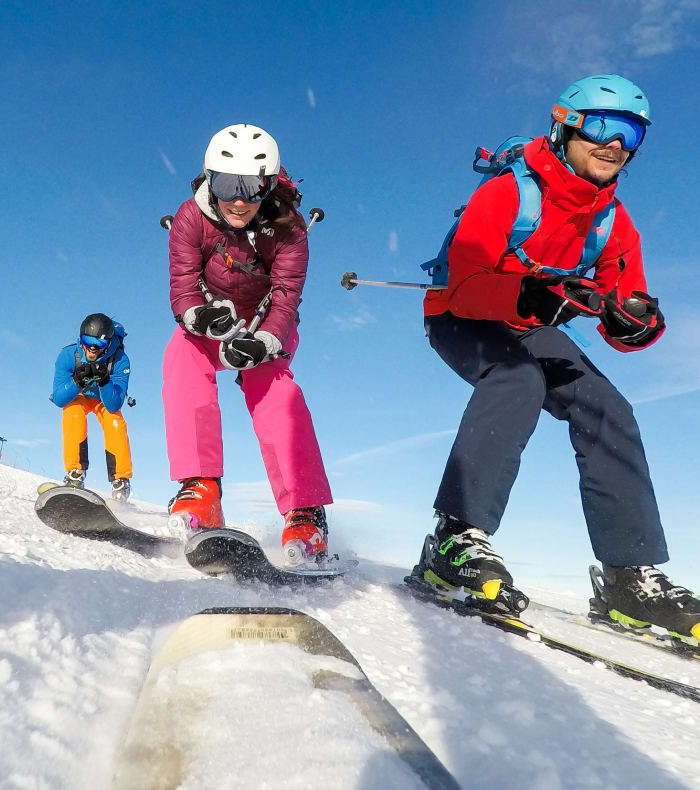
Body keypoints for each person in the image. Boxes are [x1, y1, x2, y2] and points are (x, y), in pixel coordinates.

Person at [410, 74, 700, 640]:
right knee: (517, 382)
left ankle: (627, 578)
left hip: (530, 323)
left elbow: (625, 317)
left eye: (631, 133)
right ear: (565, 125)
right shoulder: (507, 193)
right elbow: (463, 284)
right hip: (459, 313)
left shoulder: (614, 221)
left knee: (607, 406)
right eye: (603, 127)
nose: (615, 144)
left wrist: (638, 325)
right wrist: (528, 293)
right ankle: (454, 538)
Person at [162, 123, 332, 565]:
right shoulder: (189, 218)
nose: (239, 200)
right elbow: (182, 287)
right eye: (226, 184)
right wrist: (200, 315)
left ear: (270, 186)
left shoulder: (289, 229)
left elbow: (287, 295)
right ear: (209, 179)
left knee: (275, 388)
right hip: (213, 324)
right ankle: (202, 488)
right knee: (181, 353)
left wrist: (265, 341)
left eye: (253, 188)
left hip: (266, 327)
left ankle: (306, 513)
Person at [52, 313, 133, 501]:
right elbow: (59, 399)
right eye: (87, 341)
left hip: (104, 400)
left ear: (109, 343)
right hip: (80, 396)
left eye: (100, 344)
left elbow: (114, 405)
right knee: (72, 412)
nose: (92, 348)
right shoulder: (68, 355)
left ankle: (120, 481)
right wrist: (76, 382)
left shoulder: (120, 360)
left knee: (115, 422)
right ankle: (75, 473)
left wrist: (104, 381)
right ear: (80, 338)